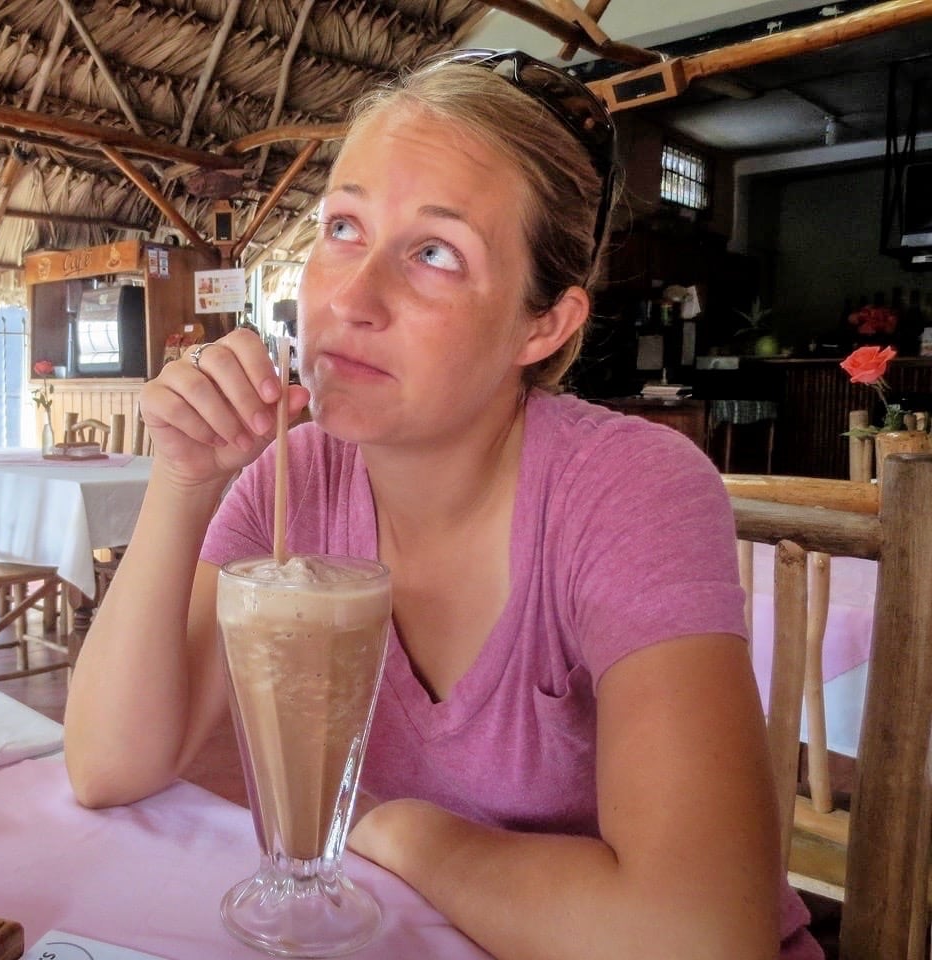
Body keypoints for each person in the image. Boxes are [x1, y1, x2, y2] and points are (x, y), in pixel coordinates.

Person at [63, 49, 817, 959]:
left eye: (434, 252)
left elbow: (699, 935)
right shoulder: (290, 480)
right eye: (343, 227)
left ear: (544, 327)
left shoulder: (624, 491)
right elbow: (109, 764)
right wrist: (184, 482)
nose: (348, 296)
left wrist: (403, 833)